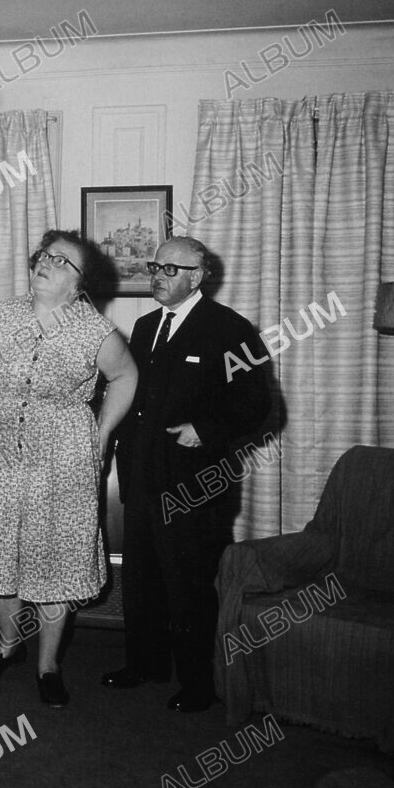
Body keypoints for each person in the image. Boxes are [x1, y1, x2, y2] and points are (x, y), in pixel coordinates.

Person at [0, 230, 137, 707]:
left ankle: (48, 665)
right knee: (2, 557)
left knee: (55, 562)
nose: (46, 263)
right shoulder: (2, 315)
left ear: (80, 284)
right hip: (2, 454)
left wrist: (99, 436)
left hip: (63, 460)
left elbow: (126, 377)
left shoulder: (95, 331)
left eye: (62, 261)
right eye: (45, 256)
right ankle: (7, 646)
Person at [104, 236, 270, 712]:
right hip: (141, 474)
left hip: (196, 483)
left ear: (197, 276)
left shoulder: (230, 330)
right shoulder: (143, 327)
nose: (158, 275)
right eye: (155, 266)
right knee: (141, 576)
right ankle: (145, 664)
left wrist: (206, 429)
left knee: (189, 583)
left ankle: (198, 684)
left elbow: (257, 404)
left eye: (170, 269)